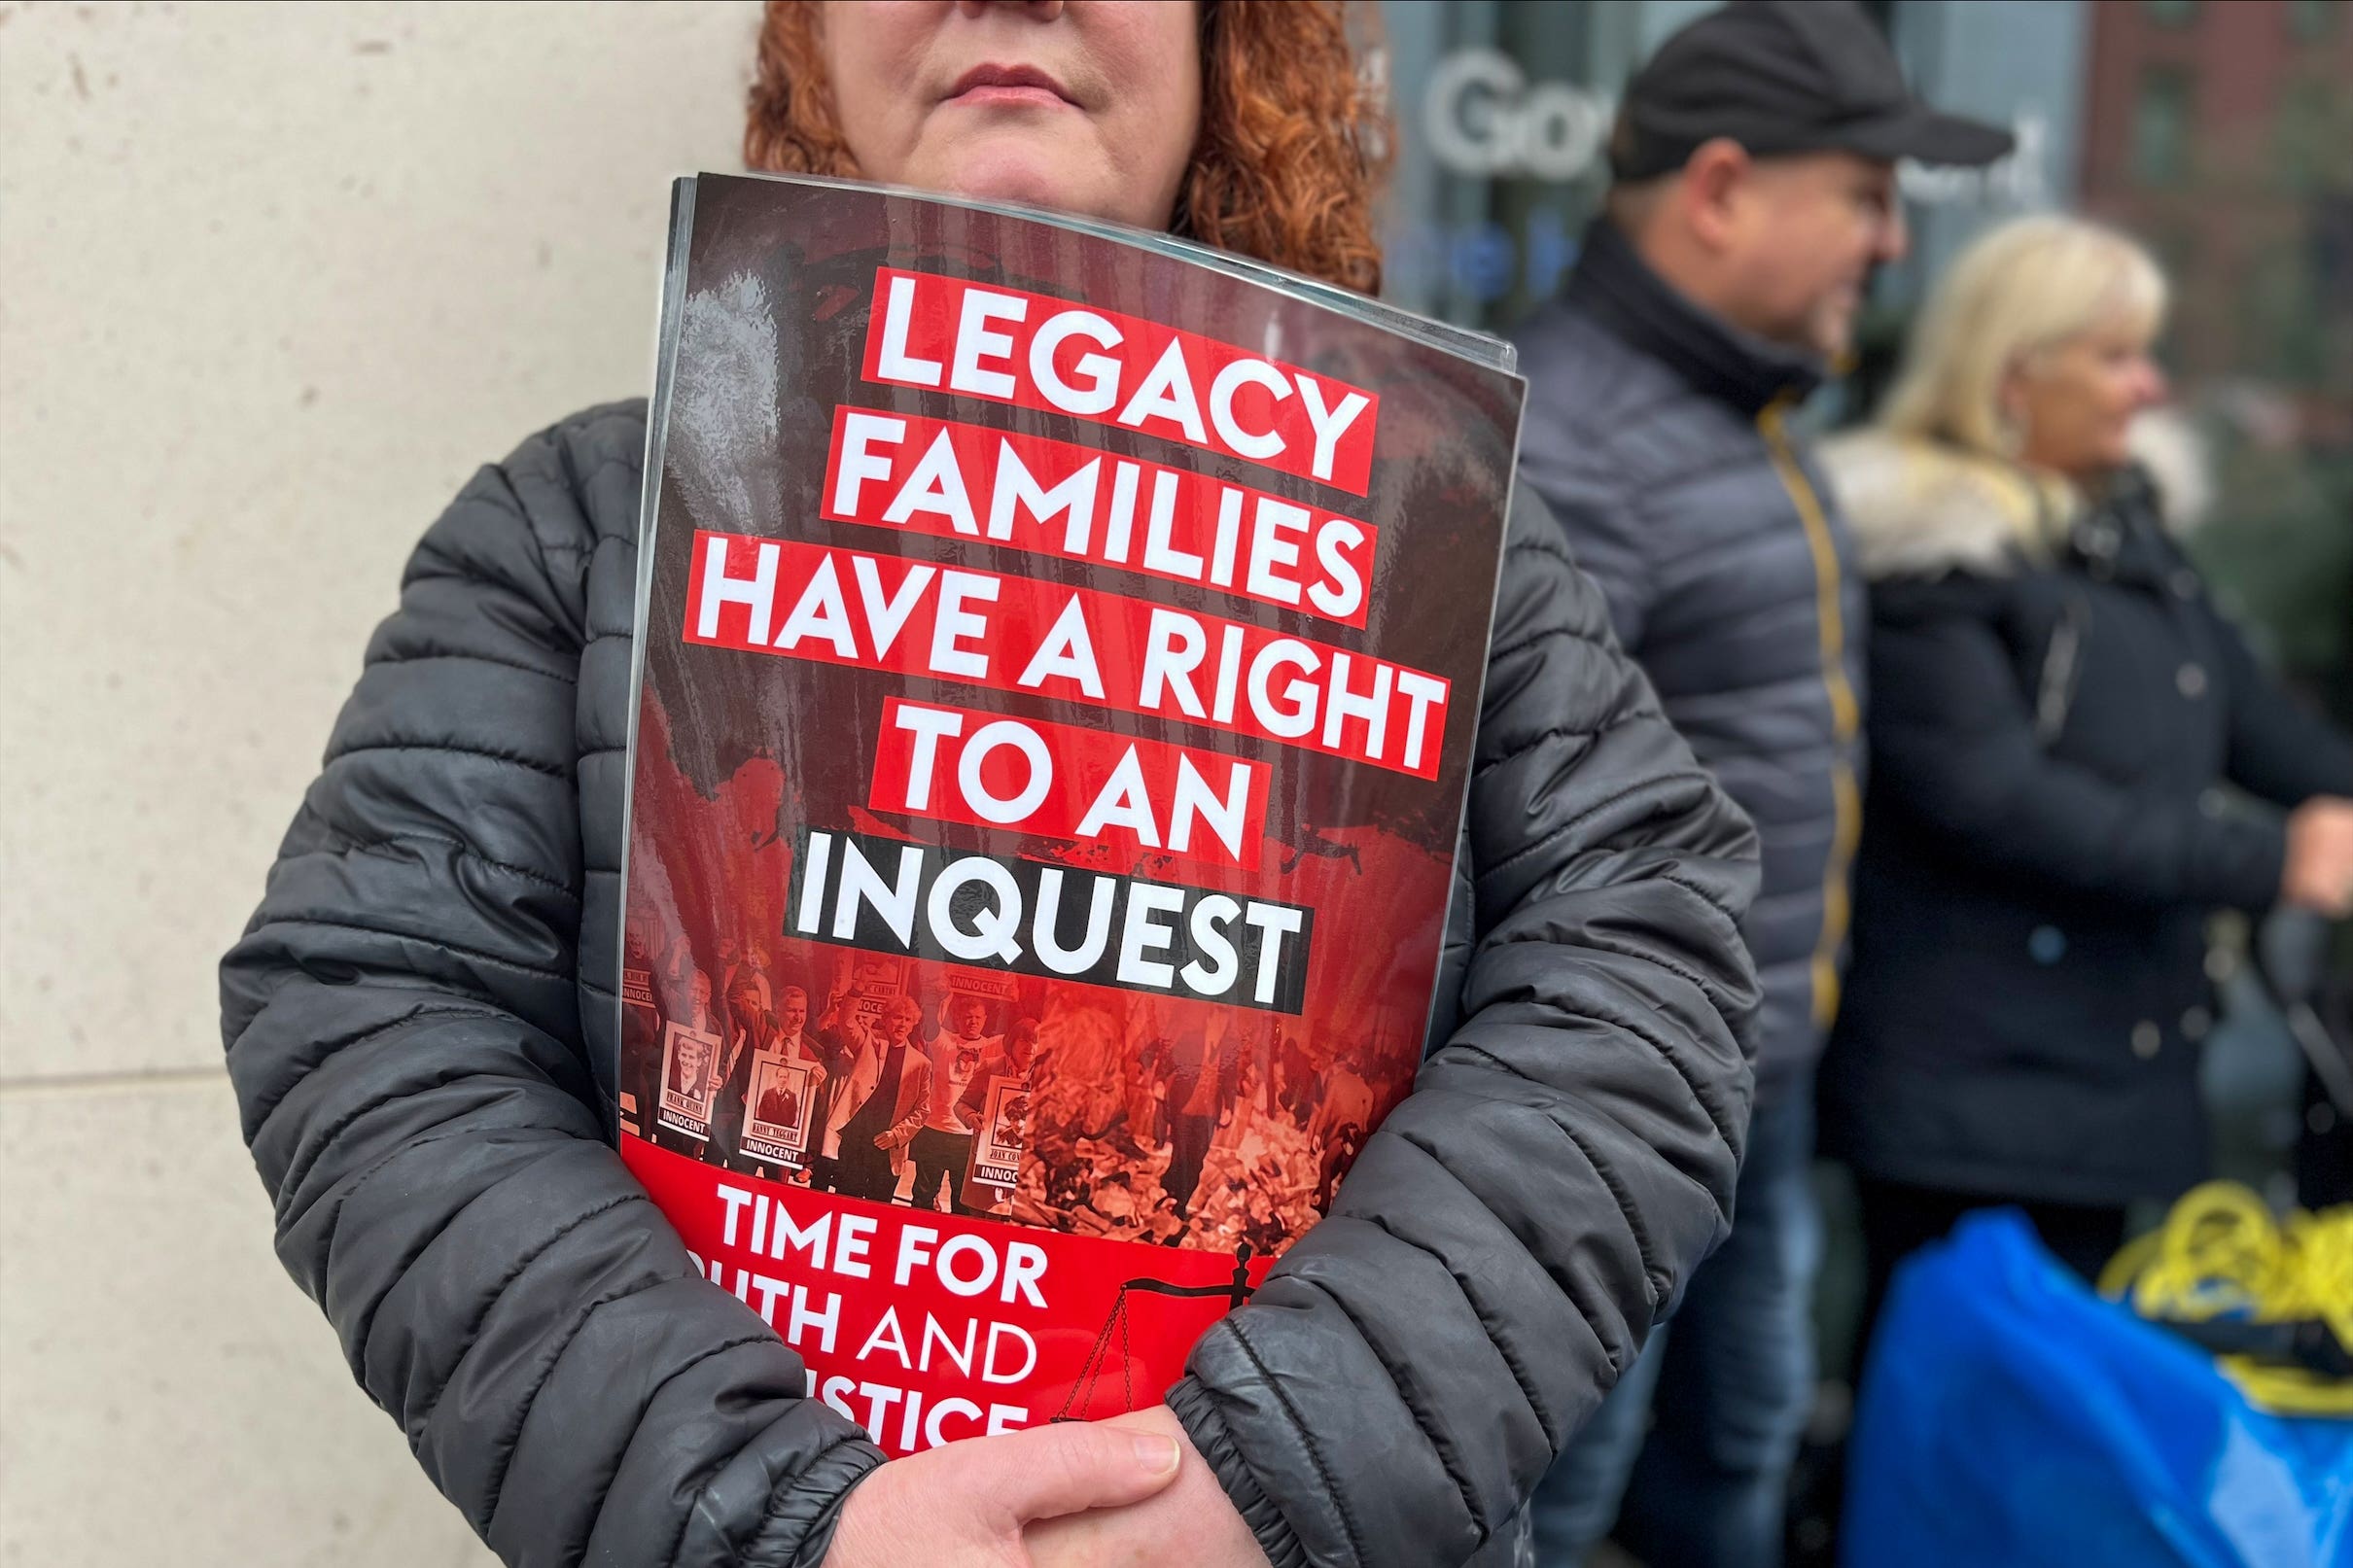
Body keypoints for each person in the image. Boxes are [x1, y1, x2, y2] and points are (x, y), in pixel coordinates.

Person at [217, 4, 1763, 1567]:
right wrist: (785, 1524)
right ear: (810, 43)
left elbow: (1651, 973)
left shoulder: (1439, 536)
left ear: (1229, 43)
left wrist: (1262, 1481)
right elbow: (372, 1015)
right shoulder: (574, 531)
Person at [1511, 5, 2011, 1564]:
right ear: (1720, 190)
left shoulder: (1739, 414)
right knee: (1574, 1481)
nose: (1889, 237)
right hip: (1613, 1113)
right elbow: (1520, 834)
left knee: (1737, 1442)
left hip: (1754, 1081)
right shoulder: (1572, 437)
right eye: (1865, 193)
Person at [1818, 213, 2353, 1346]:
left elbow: (2260, 727)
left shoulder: (2133, 541)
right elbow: (1988, 796)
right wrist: (2269, 859)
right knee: (1952, 1435)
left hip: (2109, 1076)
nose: (2149, 388)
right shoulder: (1928, 551)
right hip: (1966, 1093)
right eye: (2114, 356)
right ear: (2015, 372)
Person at [825, 993, 931, 1204]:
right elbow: (846, 1021)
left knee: (878, 1208)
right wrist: (856, 990)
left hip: (888, 1147)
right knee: (845, 1201)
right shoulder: (869, 1042)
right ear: (885, 1018)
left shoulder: (922, 1063)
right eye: (897, 1017)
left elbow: (922, 1110)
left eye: (908, 1020)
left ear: (913, 1025)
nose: (902, 1024)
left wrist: (896, 1135)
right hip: (856, 1139)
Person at [910, 994, 993, 1213]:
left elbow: (1030, 1035)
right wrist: (940, 996)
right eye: (967, 1017)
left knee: (962, 1203)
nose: (972, 1021)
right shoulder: (944, 1041)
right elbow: (928, 1021)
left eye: (977, 1017)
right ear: (957, 1018)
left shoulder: (993, 1047)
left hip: (968, 1136)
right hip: (934, 1130)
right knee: (923, 1195)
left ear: (985, 1019)